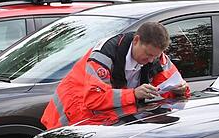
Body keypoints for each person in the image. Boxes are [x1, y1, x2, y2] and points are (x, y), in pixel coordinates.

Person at [42, 21, 190, 129]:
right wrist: (134, 94)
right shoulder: (104, 55)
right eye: (148, 54)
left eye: (155, 56)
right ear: (136, 40)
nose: (150, 60)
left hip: (101, 123)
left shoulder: (157, 57)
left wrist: (179, 90)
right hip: (68, 118)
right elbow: (94, 99)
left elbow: (175, 84)